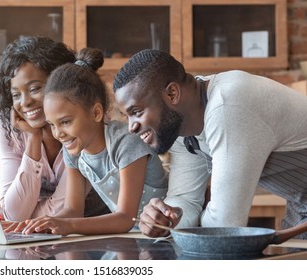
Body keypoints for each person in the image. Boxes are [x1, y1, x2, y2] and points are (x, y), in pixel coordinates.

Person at [112, 49, 307, 239]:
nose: (131, 127)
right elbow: (186, 200)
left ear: (172, 93)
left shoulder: (227, 106)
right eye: (127, 116)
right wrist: (167, 218)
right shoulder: (182, 125)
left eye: (136, 111)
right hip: (300, 205)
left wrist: (188, 225)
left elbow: (225, 225)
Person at [18, 48, 168, 236]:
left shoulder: (126, 143)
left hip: (165, 234)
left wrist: (69, 226)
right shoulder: (74, 151)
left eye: (65, 122)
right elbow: (74, 210)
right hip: (133, 237)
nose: (58, 134)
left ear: (96, 113)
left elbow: (125, 218)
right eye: (52, 125)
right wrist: (35, 226)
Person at [0, 36, 110, 221]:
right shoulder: (9, 126)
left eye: (35, 88)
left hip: (96, 234)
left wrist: (25, 216)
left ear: (60, 83)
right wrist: (33, 138)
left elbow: (64, 209)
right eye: (16, 94)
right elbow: (12, 214)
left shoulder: (85, 124)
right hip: (45, 236)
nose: (25, 102)